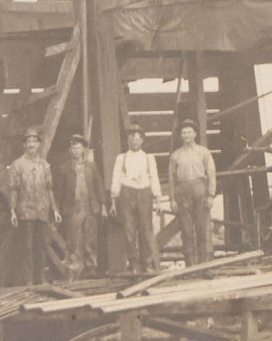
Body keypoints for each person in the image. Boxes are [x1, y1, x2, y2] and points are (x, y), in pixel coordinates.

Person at [6, 127, 60, 286]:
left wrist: (55, 209)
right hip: (25, 212)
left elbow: (49, 188)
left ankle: (39, 279)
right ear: (24, 145)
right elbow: (13, 190)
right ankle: (28, 280)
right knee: (26, 248)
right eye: (28, 141)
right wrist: (12, 211)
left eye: (34, 141)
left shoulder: (45, 165)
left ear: (38, 144)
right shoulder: (17, 165)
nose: (31, 144)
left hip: (42, 211)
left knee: (42, 246)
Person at [110, 124, 162, 273]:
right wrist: (114, 201)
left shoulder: (148, 158)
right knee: (129, 230)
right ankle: (134, 264)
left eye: (137, 138)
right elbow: (116, 179)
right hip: (127, 193)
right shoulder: (121, 158)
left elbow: (154, 178)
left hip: (144, 193)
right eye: (131, 138)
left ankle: (146, 262)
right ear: (128, 140)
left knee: (146, 229)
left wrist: (158, 198)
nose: (134, 141)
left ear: (142, 141)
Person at [53, 133, 105, 278]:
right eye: (72, 148)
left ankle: (91, 268)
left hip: (89, 206)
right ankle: (74, 269)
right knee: (73, 240)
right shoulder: (65, 169)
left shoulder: (91, 167)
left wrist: (103, 206)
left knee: (90, 239)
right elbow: (59, 191)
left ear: (83, 150)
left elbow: (98, 186)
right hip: (73, 208)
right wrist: (56, 209)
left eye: (77, 147)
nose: (74, 150)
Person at [169, 118, 218, 266]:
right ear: (181, 136)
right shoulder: (175, 155)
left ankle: (205, 265)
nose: (186, 135)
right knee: (187, 230)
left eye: (189, 132)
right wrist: (172, 199)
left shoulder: (204, 152)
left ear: (195, 134)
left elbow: (211, 174)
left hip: (200, 190)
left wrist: (210, 195)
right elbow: (172, 179)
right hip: (182, 193)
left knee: (203, 229)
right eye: (184, 133)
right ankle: (190, 265)